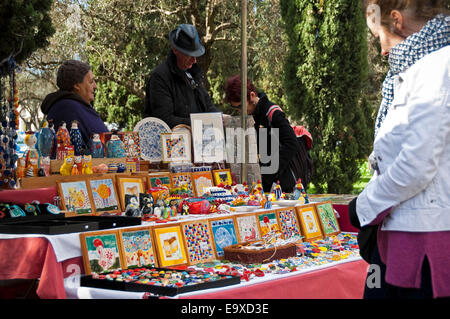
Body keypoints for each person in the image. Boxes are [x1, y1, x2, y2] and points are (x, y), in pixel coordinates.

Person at [349, 0, 449, 298]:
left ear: (396, 20)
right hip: (408, 230)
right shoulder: (421, 70)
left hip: (423, 238)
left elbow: (415, 165)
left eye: (379, 36)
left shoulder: (435, 69)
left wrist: (363, 207)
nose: (381, 50)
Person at [224, 74, 302, 193]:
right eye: (236, 108)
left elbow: (291, 143)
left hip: (281, 185)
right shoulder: (251, 116)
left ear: (252, 95)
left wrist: (269, 173)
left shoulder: (272, 113)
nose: (240, 111)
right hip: (261, 185)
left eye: (240, 106)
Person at [144, 24, 220, 128]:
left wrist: (220, 118)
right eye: (189, 55)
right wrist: (200, 123)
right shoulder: (160, 78)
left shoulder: (193, 74)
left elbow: (207, 105)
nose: (194, 61)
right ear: (175, 50)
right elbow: (164, 120)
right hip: (171, 141)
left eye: (196, 55)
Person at [41, 60, 109, 150]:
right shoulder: (70, 108)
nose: (95, 86)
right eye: (91, 82)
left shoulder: (71, 106)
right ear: (77, 85)